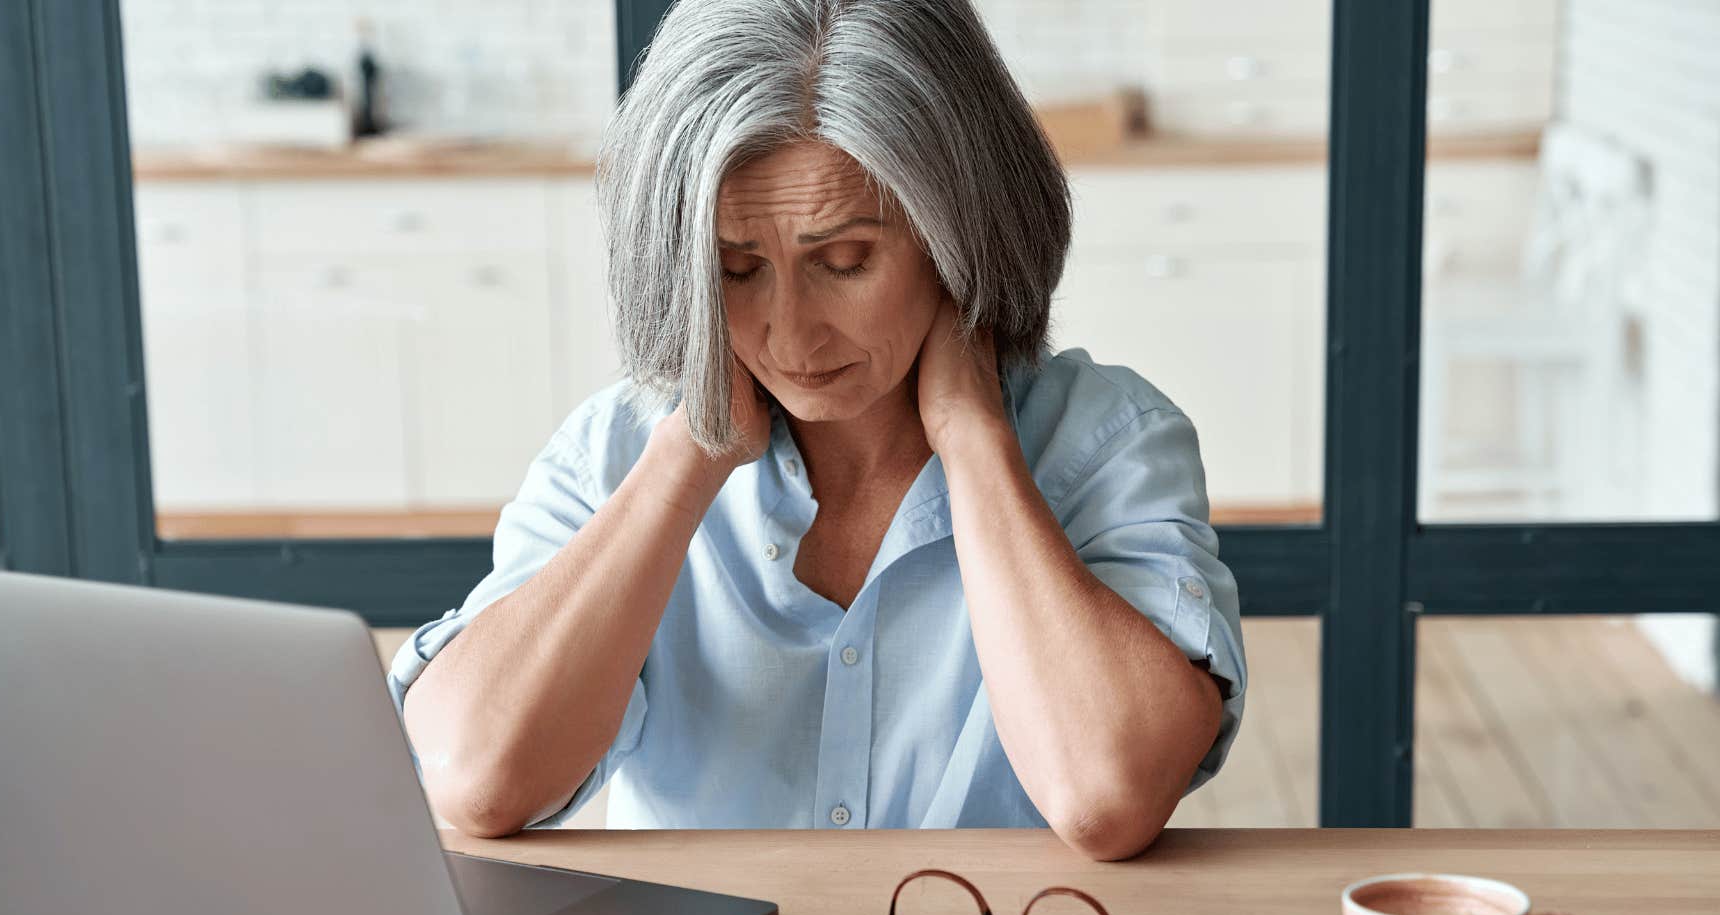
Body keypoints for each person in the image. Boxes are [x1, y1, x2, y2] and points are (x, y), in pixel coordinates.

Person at [391, 0, 1246, 860]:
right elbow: (477, 781)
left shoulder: (1106, 444)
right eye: (737, 270)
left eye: (845, 263)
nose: (791, 337)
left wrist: (974, 440)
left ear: (961, 234)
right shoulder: (611, 456)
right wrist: (689, 459)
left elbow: (1108, 797)